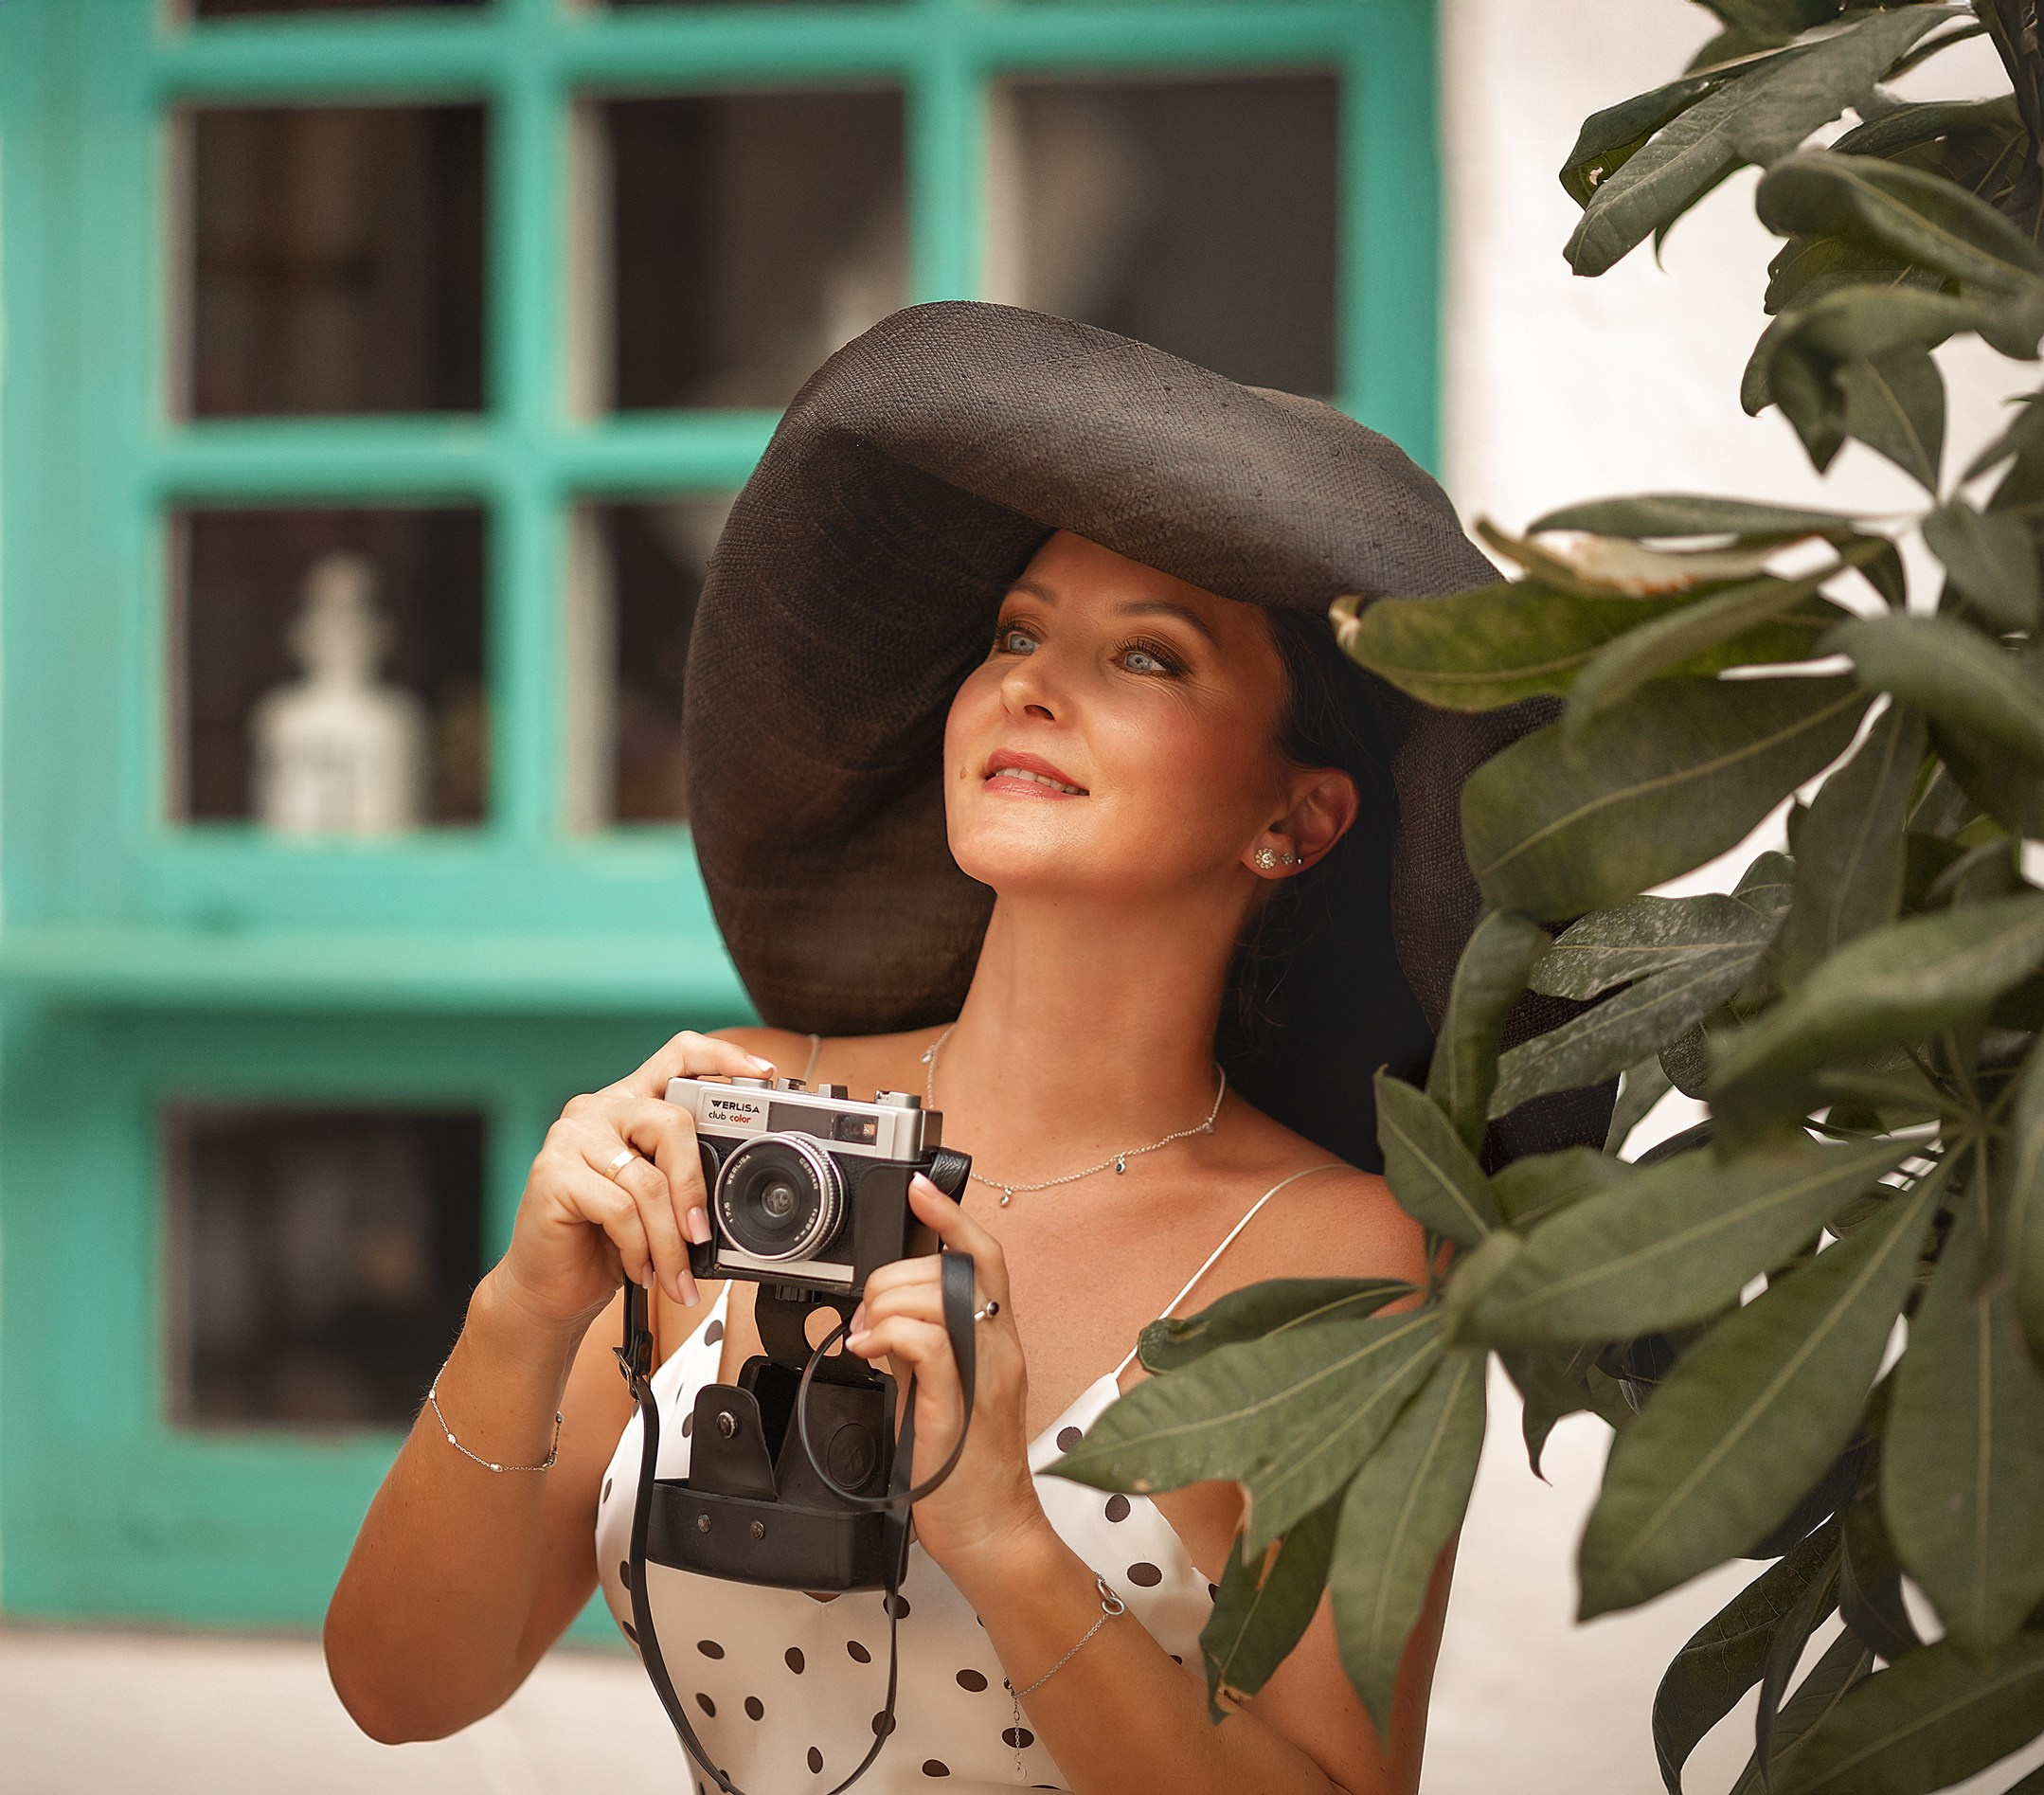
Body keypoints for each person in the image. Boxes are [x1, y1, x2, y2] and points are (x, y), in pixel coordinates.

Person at [325, 304, 1605, 1795]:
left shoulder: (1356, 1261)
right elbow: (402, 1691)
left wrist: (1000, 1530)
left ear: (1297, 818)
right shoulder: (749, 1125)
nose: (1029, 683)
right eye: (1017, 630)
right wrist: (518, 1314)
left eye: (1146, 657)